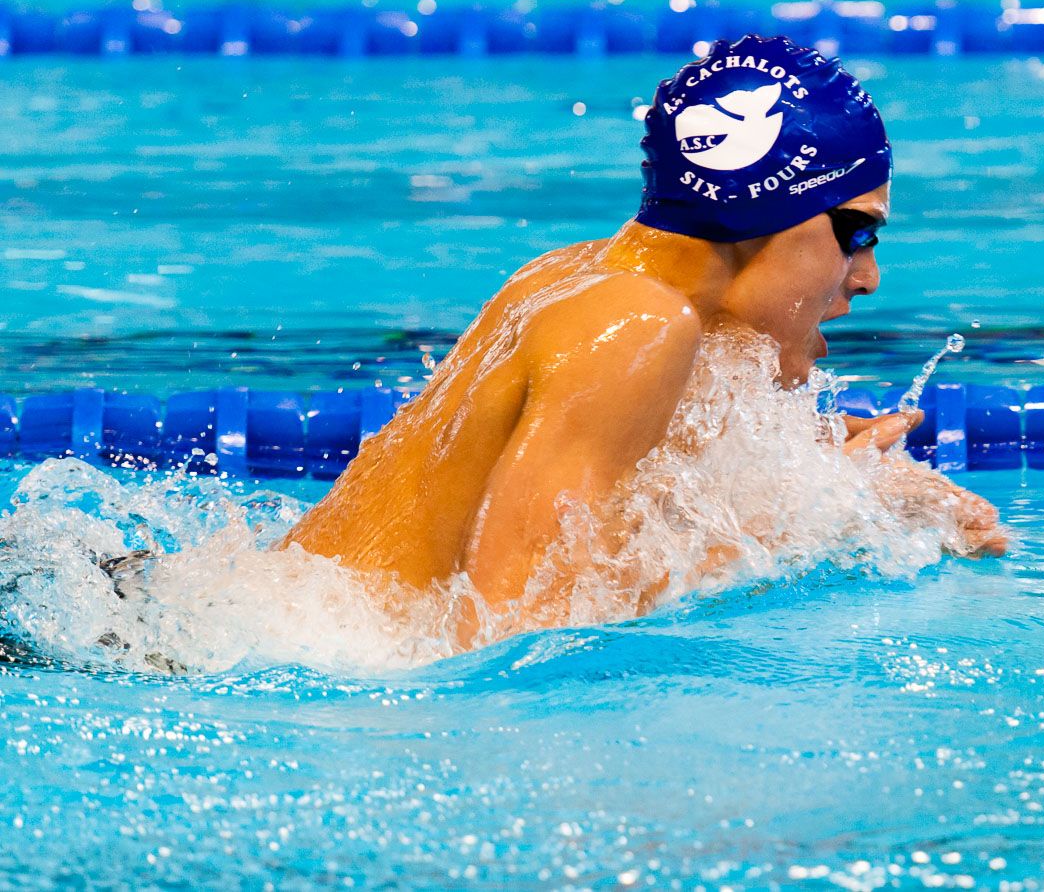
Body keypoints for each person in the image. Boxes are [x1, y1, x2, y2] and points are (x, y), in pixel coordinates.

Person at [279, 34, 1006, 636]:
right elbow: (511, 624)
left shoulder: (583, 279)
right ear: (767, 213)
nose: (867, 276)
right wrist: (811, 522)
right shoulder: (638, 326)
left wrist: (823, 465)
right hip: (327, 707)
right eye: (856, 232)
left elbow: (600, 502)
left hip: (272, 631)